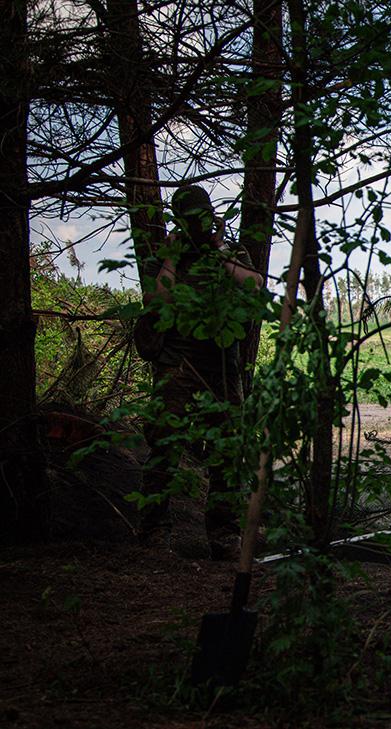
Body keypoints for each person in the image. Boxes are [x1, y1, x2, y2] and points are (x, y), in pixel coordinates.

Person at [137, 185, 264, 559]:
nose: (199, 227)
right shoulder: (165, 259)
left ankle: (224, 537)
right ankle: (153, 533)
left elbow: (254, 286)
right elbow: (157, 303)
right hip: (177, 365)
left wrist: (219, 252)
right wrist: (174, 258)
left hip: (221, 369)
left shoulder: (229, 253)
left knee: (227, 454)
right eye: (192, 221)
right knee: (164, 449)